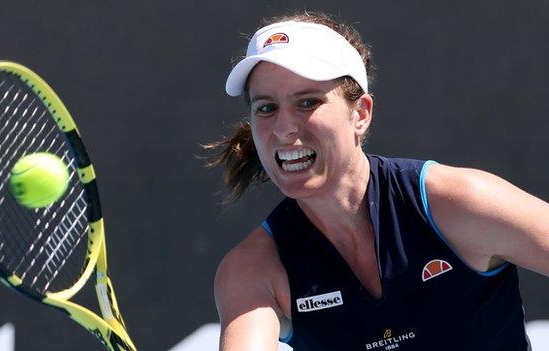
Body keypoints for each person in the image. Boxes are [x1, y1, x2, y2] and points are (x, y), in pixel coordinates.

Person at [208, 11, 549, 351]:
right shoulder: (253, 270)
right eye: (266, 108)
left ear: (360, 114)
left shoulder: (459, 202)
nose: (283, 129)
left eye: (307, 102)